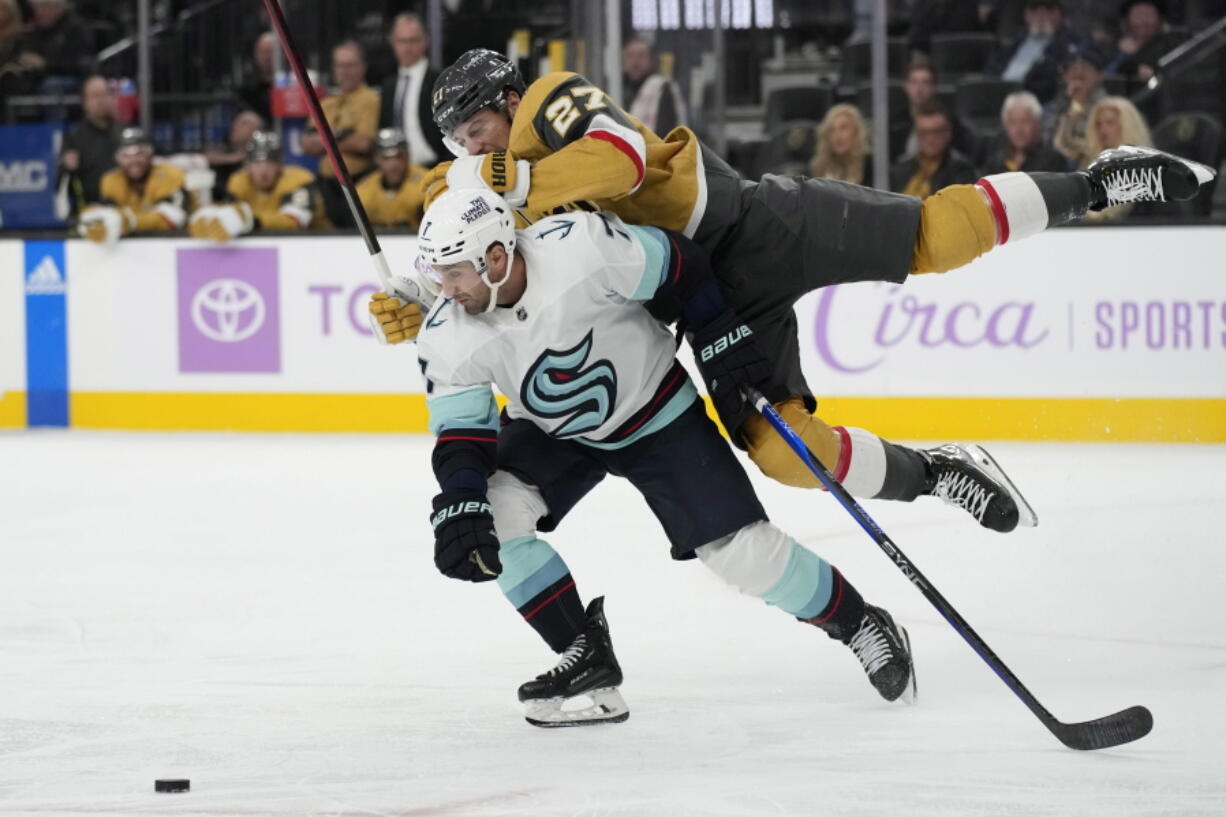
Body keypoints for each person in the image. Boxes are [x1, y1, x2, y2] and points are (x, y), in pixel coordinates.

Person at [399, 49, 1212, 535]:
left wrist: (513, 172)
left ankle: (1095, 185)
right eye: (464, 147)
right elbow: (452, 231)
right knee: (785, 455)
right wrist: (411, 296)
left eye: (478, 135)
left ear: (506, 103)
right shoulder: (491, 190)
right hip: (705, 302)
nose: (476, 155)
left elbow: (623, 162)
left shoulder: (548, 101)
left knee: (934, 236)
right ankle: (937, 472)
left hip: (754, 223)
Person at [409, 188, 916, 726]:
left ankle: (861, 623)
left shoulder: (580, 250)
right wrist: (462, 497)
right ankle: (587, 656)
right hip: (554, 431)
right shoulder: (448, 331)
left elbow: (681, 264)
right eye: (437, 273)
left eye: (454, 272)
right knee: (493, 516)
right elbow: (462, 434)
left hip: (658, 414)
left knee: (740, 553)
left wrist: (719, 331)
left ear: (494, 257)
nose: (444, 289)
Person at [188, 130, 328, 242]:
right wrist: (210, 215)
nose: (263, 170)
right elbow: (231, 213)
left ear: (280, 165)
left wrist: (251, 220)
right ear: (247, 166)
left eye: (270, 163)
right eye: (257, 163)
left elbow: (295, 220)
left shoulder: (298, 180)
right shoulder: (239, 181)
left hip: (315, 246)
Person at [301, 40, 379, 227]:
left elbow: (363, 143)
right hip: (326, 185)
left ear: (362, 67)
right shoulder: (327, 103)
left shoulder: (371, 99)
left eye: (350, 65)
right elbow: (306, 143)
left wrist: (324, 142)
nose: (345, 71)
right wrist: (342, 136)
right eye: (340, 65)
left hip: (358, 183)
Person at [76, 127, 191, 243]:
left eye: (139, 153)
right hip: (130, 250)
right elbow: (108, 214)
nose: (133, 161)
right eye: (126, 155)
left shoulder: (169, 174)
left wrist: (129, 221)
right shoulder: (111, 180)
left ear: (149, 154)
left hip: (172, 245)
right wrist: (93, 218)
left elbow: (174, 218)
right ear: (118, 159)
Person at [377, 13, 446, 169]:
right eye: (401, 41)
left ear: (425, 41)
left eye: (413, 40)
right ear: (392, 43)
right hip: (396, 173)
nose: (407, 48)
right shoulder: (388, 86)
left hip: (434, 167)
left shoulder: (440, 81)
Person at [988, 0, 1084, 104]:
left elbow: (1053, 81)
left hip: (1033, 100)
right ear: (1026, 15)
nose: (1041, 14)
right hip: (997, 94)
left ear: (1060, 15)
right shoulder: (1014, 41)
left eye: (1049, 9)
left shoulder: (1068, 45)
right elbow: (992, 68)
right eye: (1034, 9)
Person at [1080, 96, 1153, 222]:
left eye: (1110, 123)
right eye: (1098, 124)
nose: (1102, 130)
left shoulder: (1150, 174)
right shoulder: (1089, 172)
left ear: (1127, 126)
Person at [892, 61, 979, 165]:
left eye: (925, 82)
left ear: (935, 86)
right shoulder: (895, 124)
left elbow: (963, 159)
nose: (919, 89)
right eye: (914, 82)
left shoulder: (952, 122)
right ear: (905, 86)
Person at [59, 75, 122, 214]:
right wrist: (67, 167)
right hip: (88, 211)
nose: (101, 100)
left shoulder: (125, 133)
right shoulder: (74, 138)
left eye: (105, 94)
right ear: (85, 102)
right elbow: (60, 183)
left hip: (123, 209)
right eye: (95, 96)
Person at [890, 102, 980, 198]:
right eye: (924, 132)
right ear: (917, 135)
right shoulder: (899, 172)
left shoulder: (962, 172)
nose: (930, 139)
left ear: (948, 133)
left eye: (936, 132)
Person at [1047, 41, 1109, 167]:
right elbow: (1050, 142)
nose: (1079, 73)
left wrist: (1079, 104)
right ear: (1063, 76)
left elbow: (1092, 144)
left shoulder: (1109, 107)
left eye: (1086, 67)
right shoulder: (1056, 105)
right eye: (1072, 68)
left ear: (1100, 75)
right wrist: (1075, 105)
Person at [982, 90, 1070, 174]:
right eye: (1013, 122)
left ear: (1037, 124)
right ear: (1005, 126)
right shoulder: (996, 161)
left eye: (1025, 121)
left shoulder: (1053, 161)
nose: (1018, 130)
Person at [356, 127, 428, 229]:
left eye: (399, 156)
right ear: (376, 159)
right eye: (386, 158)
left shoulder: (427, 184)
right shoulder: (363, 191)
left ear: (407, 156)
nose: (393, 165)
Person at [14, 0, 91, 95]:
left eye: (45, 7)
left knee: (51, 85)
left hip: (71, 77)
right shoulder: (34, 29)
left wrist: (45, 64)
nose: (40, 12)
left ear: (59, 8)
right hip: (39, 76)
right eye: (37, 8)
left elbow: (77, 63)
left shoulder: (76, 29)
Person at [1105, 0, 1183, 89]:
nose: (1143, 22)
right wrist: (1123, 55)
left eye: (1148, 15)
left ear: (1160, 19)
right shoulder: (1114, 47)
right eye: (1138, 16)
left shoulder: (1171, 45)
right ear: (1126, 21)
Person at [621, 36, 687, 136]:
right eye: (630, 56)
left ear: (652, 61)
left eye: (641, 56)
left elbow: (665, 135)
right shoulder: (619, 90)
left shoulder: (661, 88)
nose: (635, 62)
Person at [203, 109, 265, 204]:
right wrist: (232, 158)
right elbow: (205, 158)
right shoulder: (223, 149)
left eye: (244, 124)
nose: (236, 126)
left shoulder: (264, 155)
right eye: (236, 122)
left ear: (258, 131)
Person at [809, 103, 872, 185]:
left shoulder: (871, 165)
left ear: (856, 132)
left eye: (843, 128)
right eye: (832, 130)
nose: (837, 136)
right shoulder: (818, 167)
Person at [236, 32, 275, 123]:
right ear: (255, 54)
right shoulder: (248, 87)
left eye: (270, 52)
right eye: (263, 52)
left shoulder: (290, 83)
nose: (267, 58)